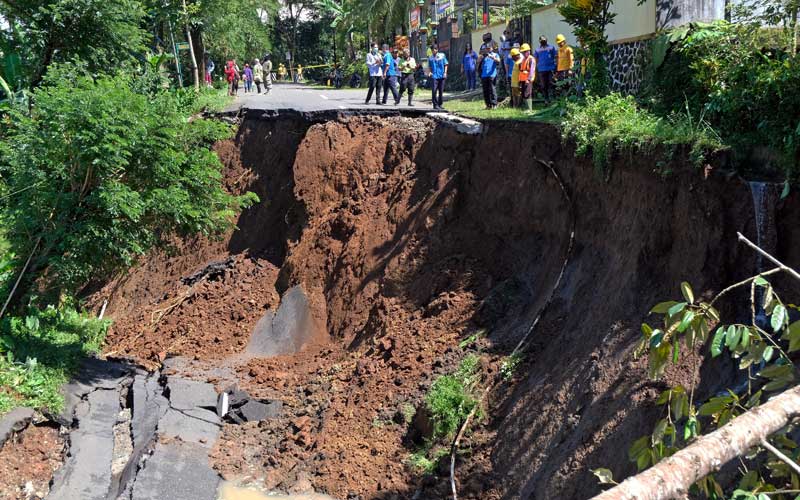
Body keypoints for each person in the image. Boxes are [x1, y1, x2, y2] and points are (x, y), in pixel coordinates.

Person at [534, 36, 557, 102]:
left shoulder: (551, 48)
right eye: (541, 40)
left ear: (546, 40)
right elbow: (536, 59)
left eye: (544, 40)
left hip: (550, 68)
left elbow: (555, 56)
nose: (543, 41)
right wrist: (536, 69)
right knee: (543, 85)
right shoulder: (537, 50)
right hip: (541, 69)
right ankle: (546, 99)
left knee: (551, 83)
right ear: (539, 41)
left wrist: (555, 66)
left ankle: (553, 99)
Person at [478, 43, 500, 109]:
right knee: (485, 90)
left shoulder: (495, 54)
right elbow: (478, 63)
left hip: (492, 74)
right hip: (484, 75)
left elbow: (498, 61)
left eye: (489, 48)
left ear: (492, 48)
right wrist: (480, 58)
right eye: (486, 48)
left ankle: (494, 104)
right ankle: (488, 105)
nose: (488, 49)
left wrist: (491, 57)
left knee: (492, 89)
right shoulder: (483, 56)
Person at [428, 44, 448, 110]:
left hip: (441, 75)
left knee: (441, 91)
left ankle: (440, 104)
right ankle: (435, 104)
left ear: (437, 49)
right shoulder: (430, 58)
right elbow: (430, 67)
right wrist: (430, 72)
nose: (434, 50)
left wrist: (445, 73)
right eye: (433, 49)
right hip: (434, 76)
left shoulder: (442, 56)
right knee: (434, 90)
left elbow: (446, 64)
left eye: (435, 49)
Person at [519, 43, 536, 111]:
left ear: (528, 51)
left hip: (528, 79)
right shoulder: (524, 59)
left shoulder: (531, 59)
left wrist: (528, 79)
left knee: (527, 93)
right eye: (522, 52)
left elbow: (532, 70)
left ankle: (529, 109)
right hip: (523, 79)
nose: (523, 53)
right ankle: (525, 108)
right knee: (524, 93)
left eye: (524, 52)